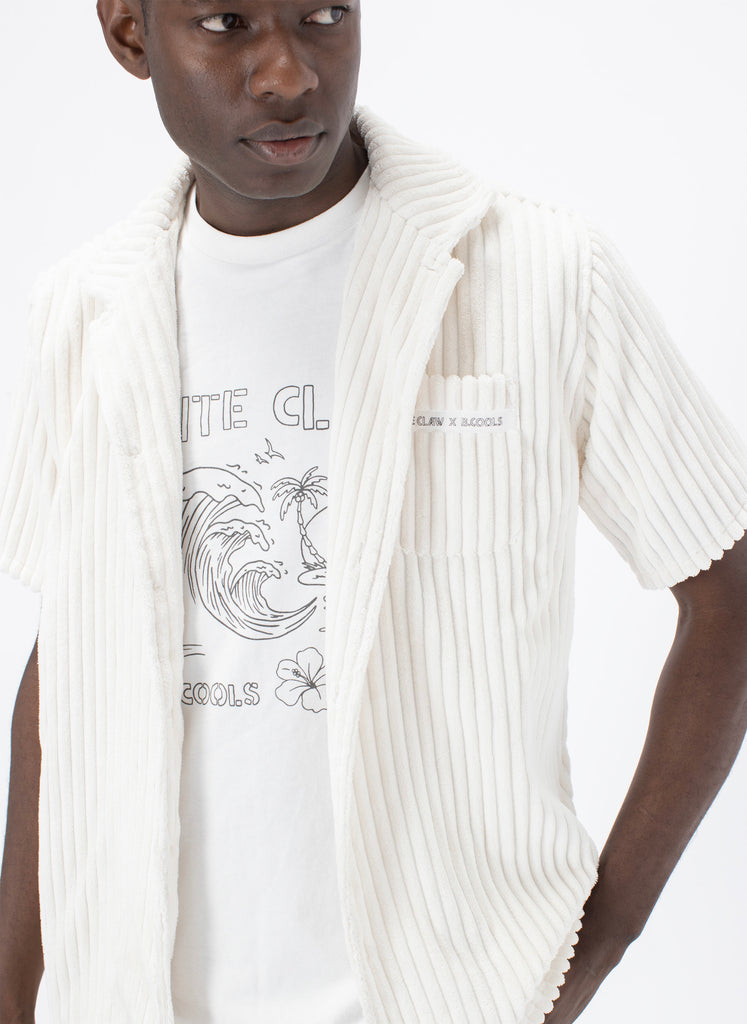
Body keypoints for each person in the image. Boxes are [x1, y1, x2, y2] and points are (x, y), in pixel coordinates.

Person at [0, 2, 746, 1023]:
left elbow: (727, 593)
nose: (288, 74)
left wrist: (596, 944)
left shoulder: (540, 272)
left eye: (323, 15)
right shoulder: (82, 313)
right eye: (225, 22)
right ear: (131, 34)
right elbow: (67, 665)